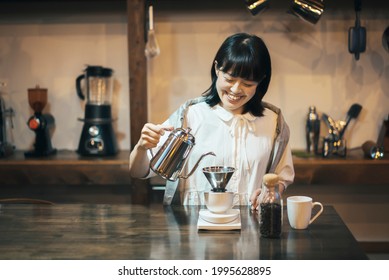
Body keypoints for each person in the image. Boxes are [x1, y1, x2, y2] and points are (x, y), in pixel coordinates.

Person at [129, 32, 294, 210]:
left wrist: (270, 191)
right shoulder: (190, 115)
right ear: (217, 69)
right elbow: (138, 172)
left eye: (247, 84)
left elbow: (281, 176)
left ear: (261, 81)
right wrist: (141, 146)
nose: (236, 90)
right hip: (194, 227)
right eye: (229, 79)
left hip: (252, 226)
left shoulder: (273, 122)